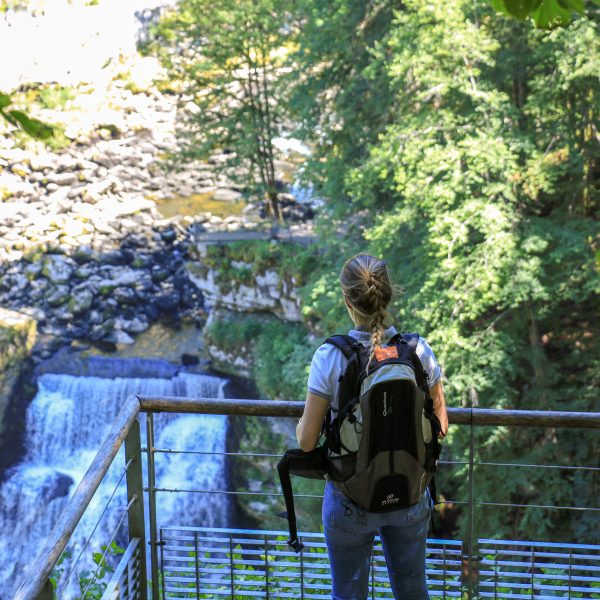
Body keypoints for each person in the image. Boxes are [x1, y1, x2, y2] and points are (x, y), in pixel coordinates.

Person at [296, 253, 448, 600]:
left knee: (348, 594)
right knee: (412, 590)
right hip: (409, 495)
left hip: (350, 498)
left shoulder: (330, 356)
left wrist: (303, 424)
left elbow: (307, 442)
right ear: (390, 294)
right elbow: (440, 424)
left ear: (347, 299)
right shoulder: (418, 350)